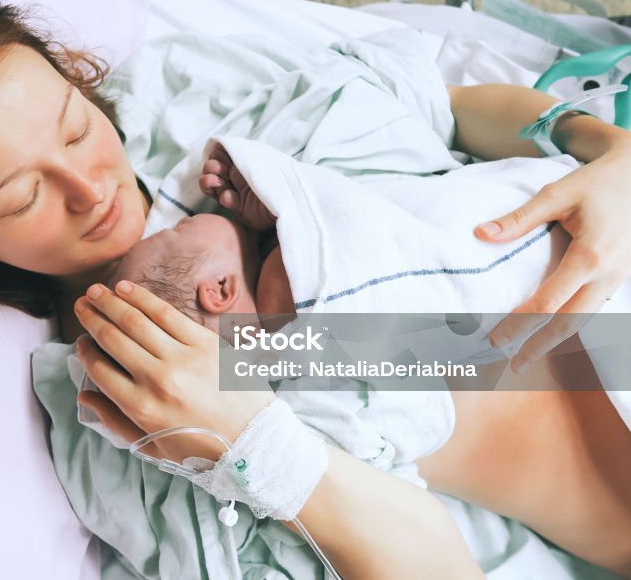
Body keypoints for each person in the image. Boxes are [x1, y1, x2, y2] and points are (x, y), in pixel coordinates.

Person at [0, 0, 631, 578]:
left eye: (75, 128)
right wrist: (253, 437)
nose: (90, 187)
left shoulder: (190, 106)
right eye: (23, 195)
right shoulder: (120, 409)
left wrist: (602, 150)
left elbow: (444, 103)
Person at [99, 148, 631, 575]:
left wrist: (617, 152)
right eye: (176, 230)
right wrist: (294, 213)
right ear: (218, 289)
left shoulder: (288, 403)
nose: (181, 216)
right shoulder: (295, 291)